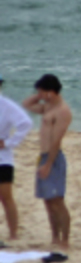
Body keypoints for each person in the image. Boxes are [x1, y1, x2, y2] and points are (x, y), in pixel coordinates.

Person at [22, 74, 72, 254]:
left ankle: (65, 240)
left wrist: (49, 164)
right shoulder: (49, 107)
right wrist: (40, 95)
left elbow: (57, 140)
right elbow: (26, 105)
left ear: (51, 91)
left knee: (57, 200)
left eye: (42, 91)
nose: (39, 95)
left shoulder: (63, 111)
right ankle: (54, 237)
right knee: (48, 201)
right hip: (42, 156)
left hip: (54, 157)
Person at [0, 72, 34, 244]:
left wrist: (8, 142)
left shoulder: (6, 105)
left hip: (3, 158)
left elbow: (25, 123)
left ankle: (13, 234)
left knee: (6, 196)